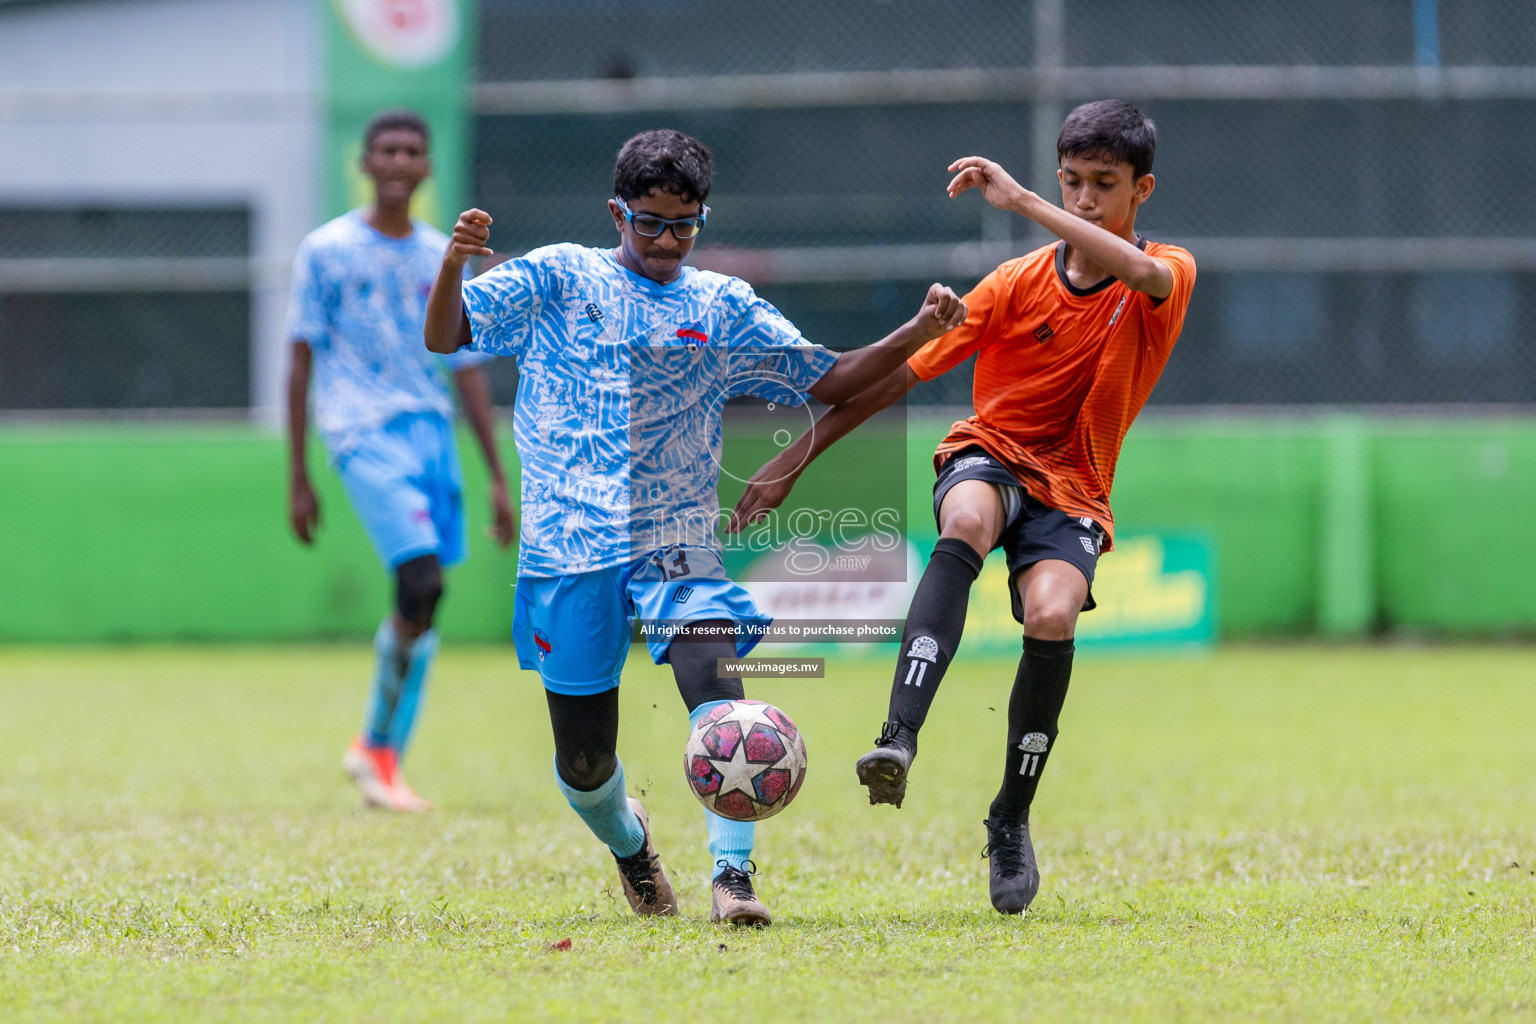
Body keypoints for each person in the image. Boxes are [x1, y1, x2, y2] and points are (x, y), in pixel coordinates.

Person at [424, 129, 966, 925]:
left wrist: (918, 331)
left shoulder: (721, 305)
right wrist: (450, 265)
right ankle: (630, 846)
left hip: (676, 543)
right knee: (583, 764)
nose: (668, 241)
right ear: (618, 211)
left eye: (685, 224)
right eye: (650, 223)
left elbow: (833, 375)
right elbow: (445, 335)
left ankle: (733, 877)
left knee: (721, 702)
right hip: (568, 551)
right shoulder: (557, 277)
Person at [728, 100, 1197, 915]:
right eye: (1072, 182)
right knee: (969, 519)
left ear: (1141, 190)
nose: (1085, 199)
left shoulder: (1167, 275)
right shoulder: (1012, 286)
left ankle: (1010, 817)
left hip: (1074, 490)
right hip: (989, 455)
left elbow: (1142, 273)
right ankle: (897, 737)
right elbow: (891, 384)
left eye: (1104, 185)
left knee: (1052, 617)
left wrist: (1022, 203)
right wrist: (791, 462)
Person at [286, 108, 516, 812]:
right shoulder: (325, 250)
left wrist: (498, 477)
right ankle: (380, 753)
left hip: (432, 436)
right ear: (364, 163)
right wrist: (298, 473)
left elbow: (468, 368)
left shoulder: (435, 257)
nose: (396, 160)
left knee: (426, 598)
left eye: (411, 150)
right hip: (360, 432)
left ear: (425, 168)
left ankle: (377, 750)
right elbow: (299, 360)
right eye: (384, 149)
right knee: (420, 583)